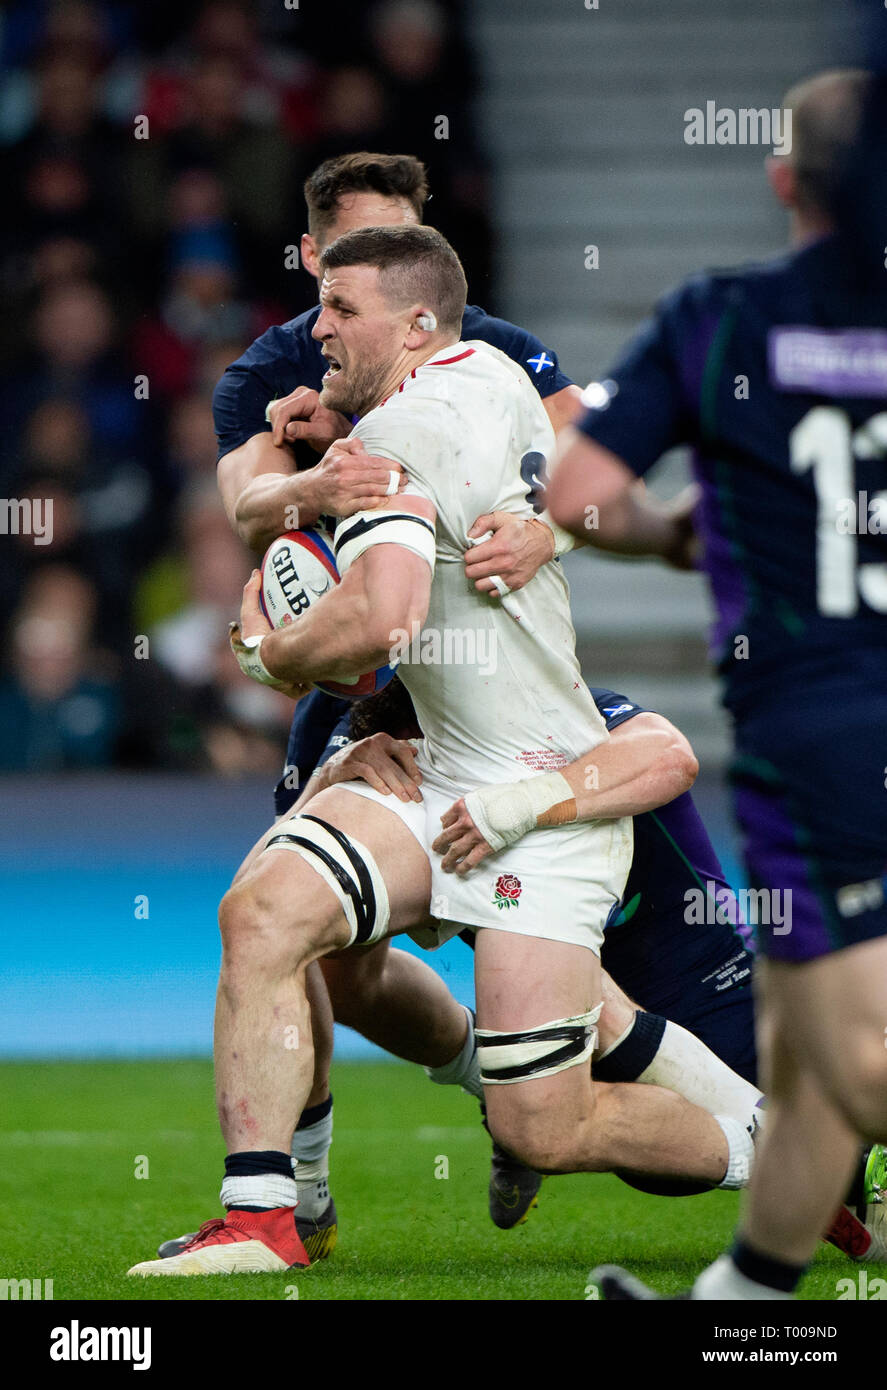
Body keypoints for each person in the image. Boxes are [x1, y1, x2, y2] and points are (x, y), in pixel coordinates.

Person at [126, 224, 761, 1277]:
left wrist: (273, 653)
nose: (314, 327)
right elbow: (556, 474)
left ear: (416, 319)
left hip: (543, 796)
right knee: (268, 911)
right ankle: (264, 1215)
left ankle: (771, 1146)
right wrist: (326, 446)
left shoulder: (403, 435)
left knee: (541, 1128)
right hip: (428, 762)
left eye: (339, 309)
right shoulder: (491, 369)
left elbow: (380, 622)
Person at [545, 70, 887, 1299]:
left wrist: (667, 532)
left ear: (781, 177)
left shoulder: (723, 319)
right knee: (800, 1060)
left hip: (823, 729)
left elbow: (573, 494)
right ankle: (739, 1310)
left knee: (855, 1055)